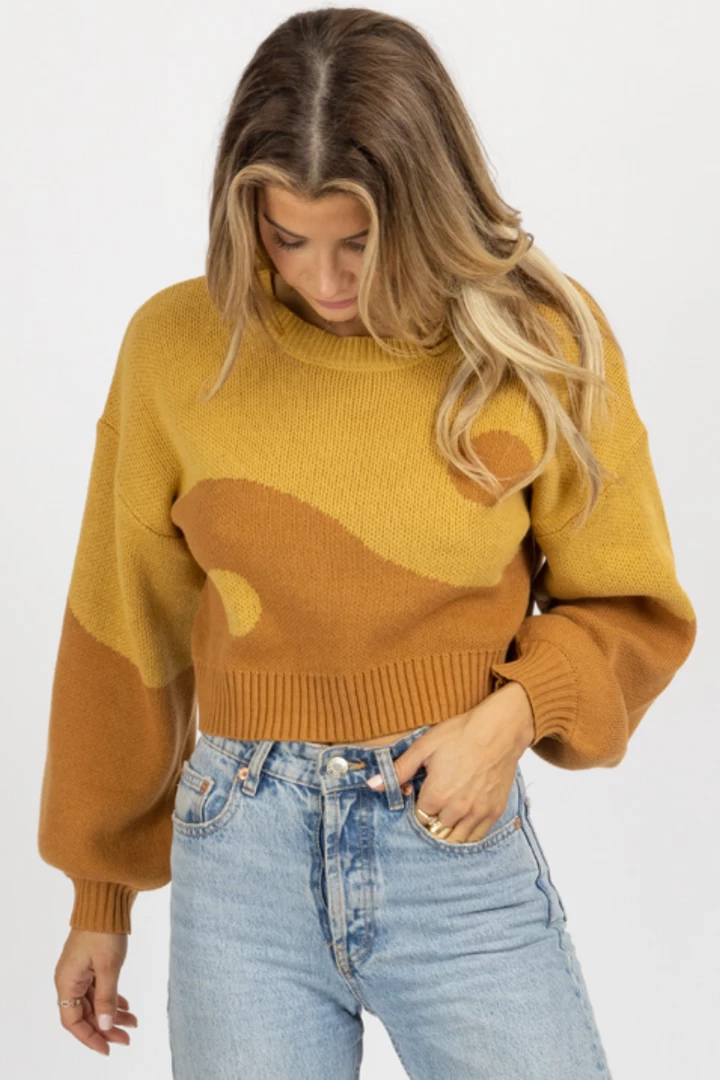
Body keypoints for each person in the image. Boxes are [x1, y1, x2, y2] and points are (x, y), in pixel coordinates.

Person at [37, 7, 697, 1077]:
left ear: (429, 207)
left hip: (452, 842)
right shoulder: (176, 348)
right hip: (240, 864)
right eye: (286, 238)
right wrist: (98, 895)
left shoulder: (539, 339)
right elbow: (125, 619)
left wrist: (514, 715)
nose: (324, 279)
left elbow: (633, 608)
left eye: (360, 241)